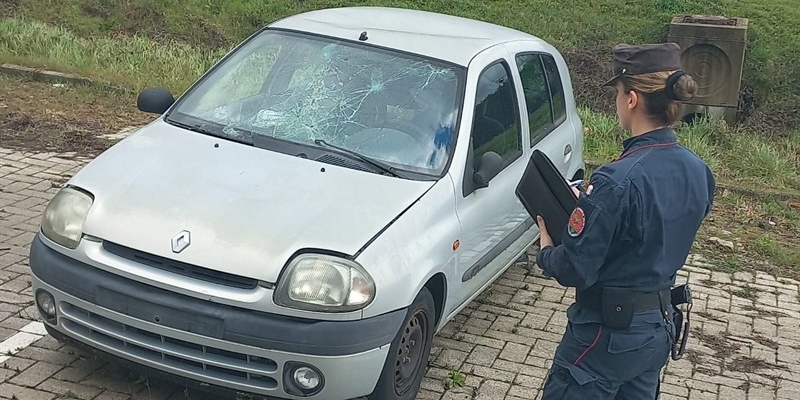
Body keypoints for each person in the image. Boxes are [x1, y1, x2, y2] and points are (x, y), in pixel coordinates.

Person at [534, 42, 716, 399]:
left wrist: (546, 251)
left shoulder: (616, 180)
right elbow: (656, 227)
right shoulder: (699, 171)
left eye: (617, 93)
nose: (617, 101)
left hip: (605, 337)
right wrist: (595, 207)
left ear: (631, 99)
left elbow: (575, 269)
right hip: (657, 328)